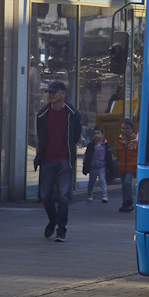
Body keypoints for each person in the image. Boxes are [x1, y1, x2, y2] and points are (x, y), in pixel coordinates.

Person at [34, 82, 82, 242]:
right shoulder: (42, 114)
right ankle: (53, 220)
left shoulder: (72, 114)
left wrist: (68, 153)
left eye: (54, 92)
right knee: (45, 196)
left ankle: (61, 230)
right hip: (47, 160)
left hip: (64, 160)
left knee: (63, 196)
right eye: (49, 92)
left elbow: (75, 136)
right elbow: (40, 137)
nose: (51, 95)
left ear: (63, 94)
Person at [83, 126, 117, 202]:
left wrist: (110, 167)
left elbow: (109, 156)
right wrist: (85, 163)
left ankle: (105, 196)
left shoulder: (106, 145)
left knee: (102, 181)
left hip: (101, 167)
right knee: (91, 182)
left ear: (103, 135)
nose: (96, 135)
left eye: (98, 133)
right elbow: (86, 155)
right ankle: (90, 195)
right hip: (93, 167)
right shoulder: (91, 145)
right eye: (94, 133)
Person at [115, 118, 139, 211]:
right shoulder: (119, 140)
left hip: (131, 166)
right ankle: (125, 202)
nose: (124, 130)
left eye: (127, 128)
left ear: (131, 129)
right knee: (124, 185)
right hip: (122, 166)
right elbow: (116, 154)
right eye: (123, 128)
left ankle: (129, 202)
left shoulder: (135, 140)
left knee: (127, 183)